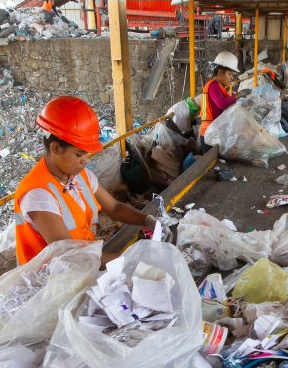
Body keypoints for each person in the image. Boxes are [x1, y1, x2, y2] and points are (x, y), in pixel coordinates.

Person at [14, 96, 171, 266]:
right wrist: (130, 260)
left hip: (84, 262)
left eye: (87, 154)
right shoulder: (38, 195)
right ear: (56, 148)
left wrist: (147, 220)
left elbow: (115, 207)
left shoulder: (78, 174)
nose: (85, 161)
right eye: (79, 154)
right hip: (48, 280)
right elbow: (70, 255)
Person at [199, 51, 240, 152]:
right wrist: (238, 96)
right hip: (209, 133)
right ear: (220, 72)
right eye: (230, 74)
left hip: (212, 131)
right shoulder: (213, 85)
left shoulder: (218, 87)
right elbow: (221, 103)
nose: (232, 77)